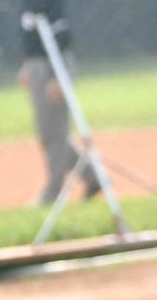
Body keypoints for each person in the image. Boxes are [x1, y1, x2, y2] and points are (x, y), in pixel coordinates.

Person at [18, 1, 99, 205]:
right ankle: (92, 177)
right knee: (50, 132)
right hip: (37, 63)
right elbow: (30, 34)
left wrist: (59, 76)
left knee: (54, 133)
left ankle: (54, 190)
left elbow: (61, 35)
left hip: (53, 62)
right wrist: (27, 64)